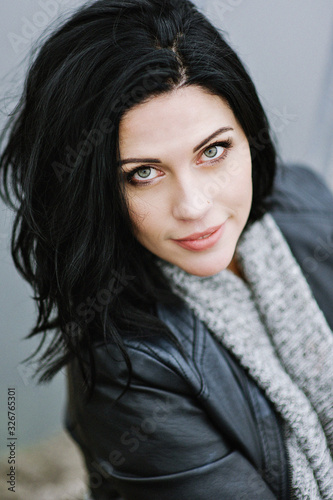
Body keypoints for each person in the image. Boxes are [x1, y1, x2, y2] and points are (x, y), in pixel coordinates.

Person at [1, 0, 333, 498]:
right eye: (144, 173)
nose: (194, 206)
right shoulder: (124, 378)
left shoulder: (301, 198)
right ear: (95, 191)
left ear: (249, 135)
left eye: (213, 150)